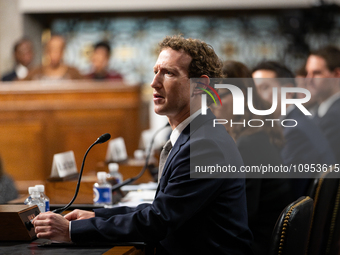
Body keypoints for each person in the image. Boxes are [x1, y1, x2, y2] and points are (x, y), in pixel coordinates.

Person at [33, 35, 253, 255]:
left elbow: (158, 221)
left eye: (168, 73)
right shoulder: (197, 134)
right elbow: (160, 209)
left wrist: (72, 230)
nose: (154, 82)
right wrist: (97, 215)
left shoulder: (204, 145)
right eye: (156, 71)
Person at [212, 60, 291, 255]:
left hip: (254, 246)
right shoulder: (256, 132)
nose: (213, 105)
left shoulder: (250, 142)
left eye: (219, 95)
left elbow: (242, 214)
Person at [252, 61, 336, 198]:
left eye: (264, 88)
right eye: (254, 91)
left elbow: (284, 191)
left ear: (289, 92)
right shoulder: (294, 122)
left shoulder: (294, 131)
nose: (256, 97)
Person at [305, 46, 340, 163]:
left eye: (316, 73)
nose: (308, 79)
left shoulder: (334, 117)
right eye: (307, 73)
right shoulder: (318, 111)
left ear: (336, 74)